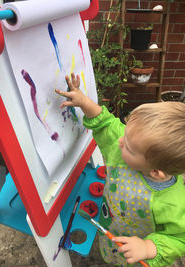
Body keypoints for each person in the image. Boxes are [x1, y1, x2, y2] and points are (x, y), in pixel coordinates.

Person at [56, 73, 185, 267]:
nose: (120, 141)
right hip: (111, 231)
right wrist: (84, 102)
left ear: (156, 172)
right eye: (125, 132)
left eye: (129, 148)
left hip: (138, 256)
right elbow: (107, 123)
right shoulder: (127, 145)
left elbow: (179, 239)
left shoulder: (173, 203)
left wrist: (148, 247)